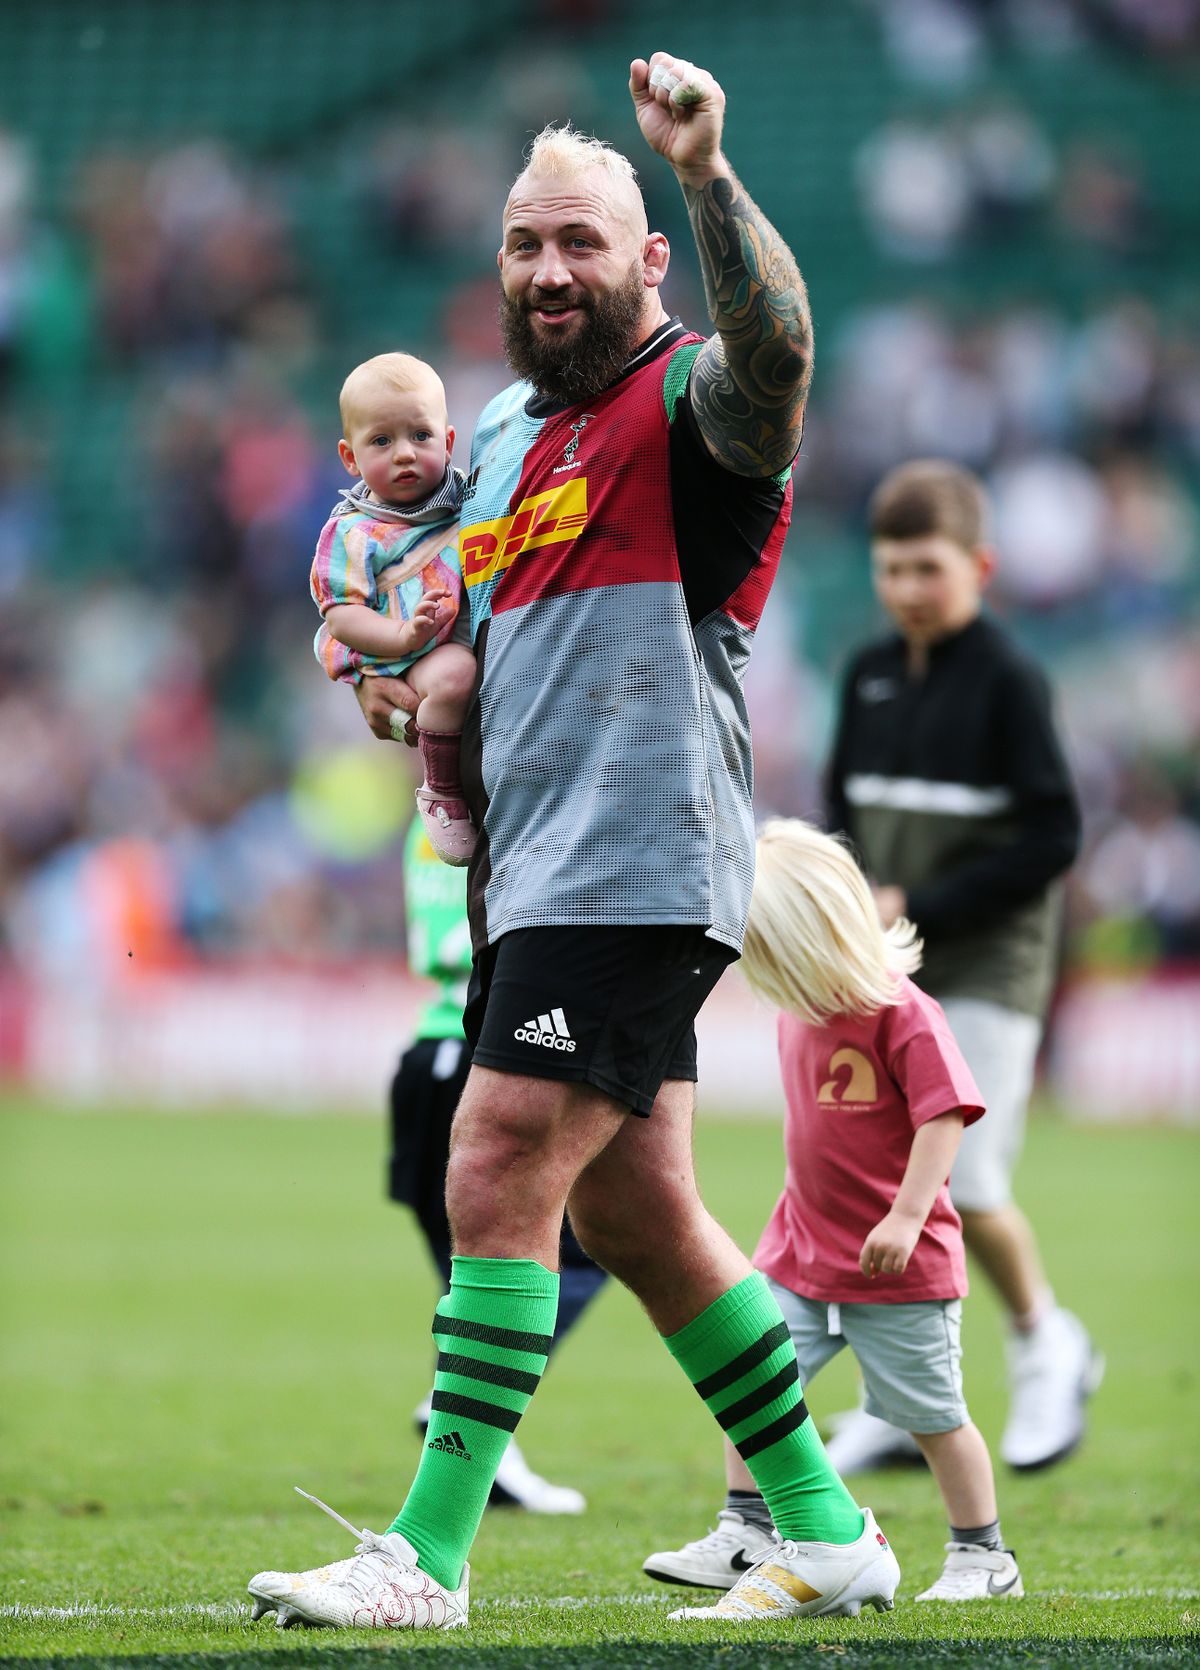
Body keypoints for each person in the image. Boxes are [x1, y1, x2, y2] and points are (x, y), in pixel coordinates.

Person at [248, 50, 900, 1632]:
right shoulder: (505, 440)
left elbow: (784, 348)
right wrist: (405, 690)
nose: (551, 270)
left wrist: (706, 167)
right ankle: (824, 1526)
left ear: (646, 259)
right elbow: (466, 631)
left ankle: (426, 1552)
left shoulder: (689, 406)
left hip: (632, 857)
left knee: (493, 1164)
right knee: (636, 1211)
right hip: (537, 865)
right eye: (526, 245)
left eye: (583, 242)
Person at [644, 820, 1024, 1613]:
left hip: (899, 1267)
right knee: (755, 1379)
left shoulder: (902, 1011)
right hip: (801, 1254)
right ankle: (747, 1528)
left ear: (812, 935)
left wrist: (906, 1216)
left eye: (768, 951)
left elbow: (945, 1115)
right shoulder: (800, 1009)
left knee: (933, 1417)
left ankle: (983, 1555)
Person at [821, 459, 1101, 1478]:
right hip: (887, 965)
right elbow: (843, 815)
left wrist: (920, 905)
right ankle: (903, 1400)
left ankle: (1046, 1341)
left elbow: (1056, 833)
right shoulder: (867, 671)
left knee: (965, 1177)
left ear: (979, 564)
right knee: (876, 1180)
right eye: (890, 569)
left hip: (987, 961)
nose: (907, 589)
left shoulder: (1012, 680)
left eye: (927, 568)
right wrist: (848, 897)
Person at [390, 815, 608, 1514]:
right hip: (497, 1054)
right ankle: (467, 1420)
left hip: (425, 1058)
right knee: (568, 1255)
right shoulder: (526, 809)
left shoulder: (427, 826)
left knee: (471, 1273)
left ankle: (470, 1439)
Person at [310, 352, 476, 864]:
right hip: (409, 652)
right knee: (454, 677)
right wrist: (402, 635)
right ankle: (442, 790)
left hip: (456, 631)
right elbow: (341, 615)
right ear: (350, 457)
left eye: (420, 436)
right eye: (382, 441)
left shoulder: (471, 499)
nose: (405, 453)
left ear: (448, 442)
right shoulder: (353, 533)